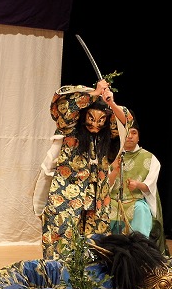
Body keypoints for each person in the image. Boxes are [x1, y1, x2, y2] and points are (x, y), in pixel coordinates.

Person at [36, 79, 133, 260]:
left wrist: (110, 102)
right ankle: (58, 272)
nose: (95, 125)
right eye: (91, 119)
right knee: (61, 230)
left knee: (96, 238)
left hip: (97, 193)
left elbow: (126, 120)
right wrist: (94, 94)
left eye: (100, 121)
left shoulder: (108, 133)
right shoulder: (71, 128)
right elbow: (65, 111)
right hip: (68, 189)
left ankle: (90, 275)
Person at [108, 117, 169, 256]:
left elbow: (150, 185)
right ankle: (110, 250)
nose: (129, 136)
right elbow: (104, 185)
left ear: (138, 137)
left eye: (133, 132)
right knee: (105, 210)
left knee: (141, 209)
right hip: (113, 200)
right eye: (127, 133)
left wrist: (137, 184)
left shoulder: (149, 158)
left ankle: (139, 251)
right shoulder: (112, 156)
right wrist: (115, 171)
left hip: (135, 200)